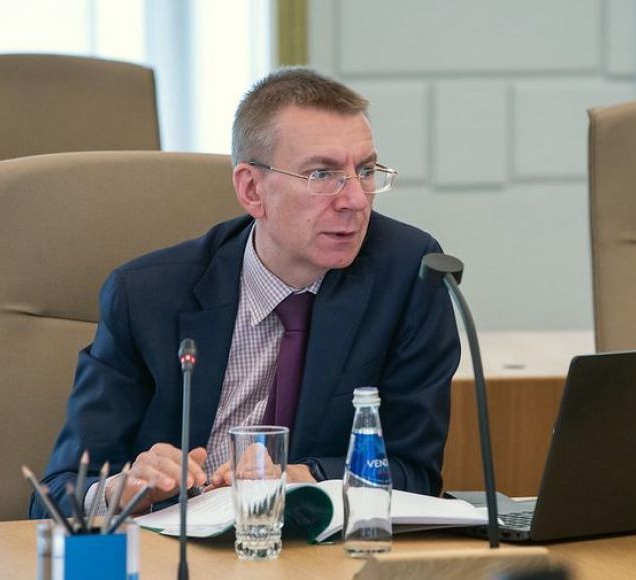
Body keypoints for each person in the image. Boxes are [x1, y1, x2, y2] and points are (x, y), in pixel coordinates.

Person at [31, 68, 459, 519]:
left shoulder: (408, 272)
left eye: (366, 171)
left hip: (318, 547)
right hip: (175, 546)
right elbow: (55, 496)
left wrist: (304, 477)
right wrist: (124, 489)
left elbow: (415, 473)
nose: (355, 199)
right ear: (252, 189)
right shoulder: (145, 297)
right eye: (322, 174)